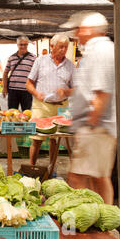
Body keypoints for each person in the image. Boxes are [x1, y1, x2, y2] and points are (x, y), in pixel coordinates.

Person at [63, 11, 116, 205]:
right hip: (99, 126)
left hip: (95, 127)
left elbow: (101, 93)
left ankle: (86, 226)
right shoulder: (103, 50)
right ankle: (104, 222)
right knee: (99, 177)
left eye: (78, 29)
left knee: (77, 178)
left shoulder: (100, 51)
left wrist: (91, 124)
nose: (76, 34)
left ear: (88, 30)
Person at [25, 34, 75, 166]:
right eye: (61, 47)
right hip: (42, 105)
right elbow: (28, 83)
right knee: (36, 139)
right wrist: (36, 93)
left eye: (66, 47)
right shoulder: (40, 61)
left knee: (55, 140)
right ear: (52, 46)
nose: (64, 50)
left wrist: (66, 91)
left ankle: (51, 169)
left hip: (62, 106)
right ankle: (32, 167)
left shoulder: (70, 65)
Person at [2, 36, 36, 111]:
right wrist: (4, 88)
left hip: (27, 91)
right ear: (17, 45)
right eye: (21, 44)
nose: (23, 46)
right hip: (12, 90)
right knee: (12, 113)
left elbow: (37, 74)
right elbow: (5, 73)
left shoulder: (33, 58)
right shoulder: (12, 57)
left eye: (25, 44)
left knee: (26, 113)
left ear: (27, 45)